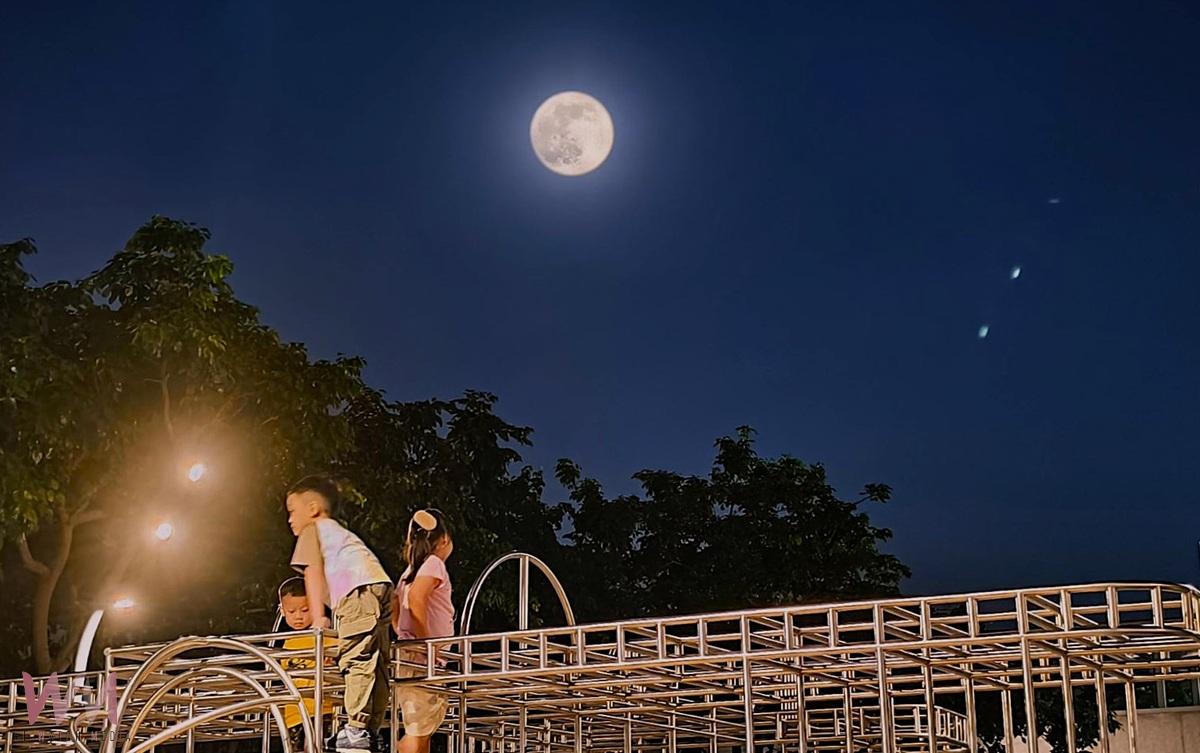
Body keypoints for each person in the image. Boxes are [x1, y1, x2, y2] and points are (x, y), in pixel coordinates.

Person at [286, 475, 393, 753]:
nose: (290, 519)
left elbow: (312, 572)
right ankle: (369, 730)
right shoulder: (340, 535)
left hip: (357, 591)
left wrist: (319, 617)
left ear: (312, 508)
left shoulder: (313, 530)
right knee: (377, 662)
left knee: (356, 657)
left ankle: (356, 728)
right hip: (379, 585)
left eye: (292, 511)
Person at [391, 509, 455, 753]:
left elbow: (395, 602)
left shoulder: (410, 571)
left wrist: (402, 631)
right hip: (423, 657)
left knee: (421, 728)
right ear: (445, 539)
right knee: (418, 732)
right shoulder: (434, 564)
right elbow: (417, 597)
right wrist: (426, 643)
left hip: (412, 654)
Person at [277, 577, 338, 752]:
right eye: (291, 611)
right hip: (293, 714)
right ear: (282, 611)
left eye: (305, 610)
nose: (298, 616)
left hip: (322, 710)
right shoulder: (287, 642)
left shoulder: (326, 637)